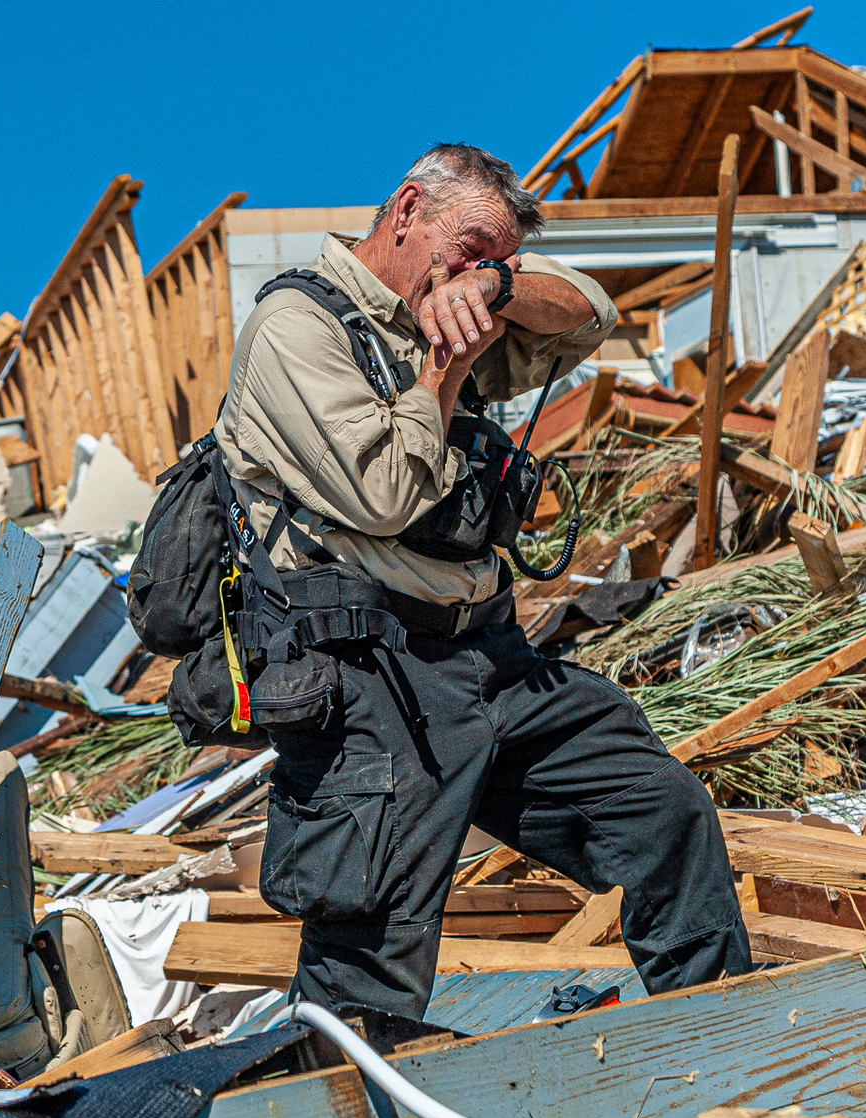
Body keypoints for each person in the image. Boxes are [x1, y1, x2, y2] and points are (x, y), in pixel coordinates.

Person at [217, 143, 750, 1046]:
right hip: (370, 677)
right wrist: (446, 367)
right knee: (370, 943)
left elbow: (589, 313)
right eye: (466, 247)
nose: (473, 271)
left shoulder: (459, 300)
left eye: (494, 257)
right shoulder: (297, 328)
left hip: (489, 657)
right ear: (405, 210)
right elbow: (382, 496)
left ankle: (730, 1052)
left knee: (660, 811)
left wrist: (497, 289)